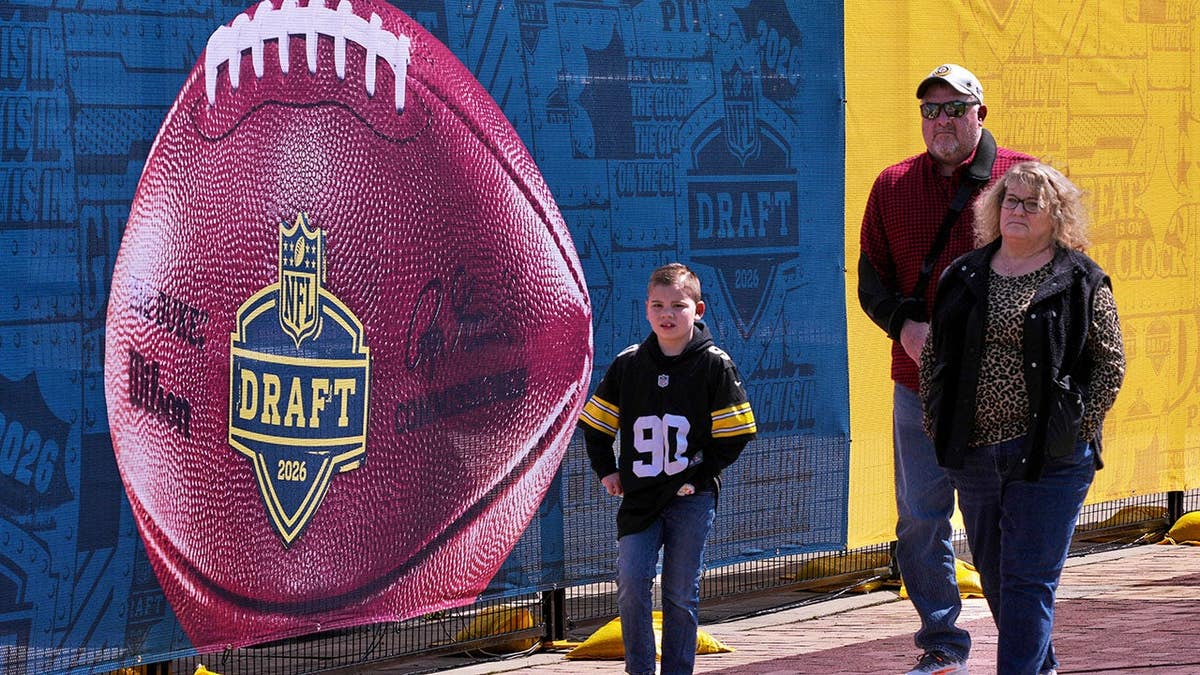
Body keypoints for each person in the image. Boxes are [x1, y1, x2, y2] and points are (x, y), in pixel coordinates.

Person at [857, 63, 1036, 674]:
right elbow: (872, 281)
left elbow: (1059, 273)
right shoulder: (892, 184)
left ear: (980, 113)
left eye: (955, 108)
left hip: (1002, 392)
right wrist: (904, 325)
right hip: (918, 386)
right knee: (919, 520)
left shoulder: (1022, 178)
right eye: (930, 110)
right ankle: (942, 644)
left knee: (1002, 524)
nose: (942, 121)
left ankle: (1026, 646)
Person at [920, 161, 1125, 675]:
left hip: (1050, 460)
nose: (1018, 209)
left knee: (1027, 580)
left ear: (1057, 215)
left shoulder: (1081, 279)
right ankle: (1041, 666)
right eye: (1010, 199)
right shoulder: (963, 273)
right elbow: (933, 359)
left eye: (1033, 203)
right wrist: (936, 423)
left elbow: (1109, 364)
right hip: (973, 454)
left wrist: (1075, 429)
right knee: (995, 577)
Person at [578, 263, 757, 675]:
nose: (667, 314)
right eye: (658, 305)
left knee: (680, 592)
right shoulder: (629, 363)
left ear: (698, 310)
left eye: (678, 305)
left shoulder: (714, 364)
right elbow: (596, 426)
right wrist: (606, 470)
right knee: (631, 584)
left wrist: (699, 476)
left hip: (690, 499)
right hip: (641, 497)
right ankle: (639, 670)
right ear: (646, 309)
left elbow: (736, 433)